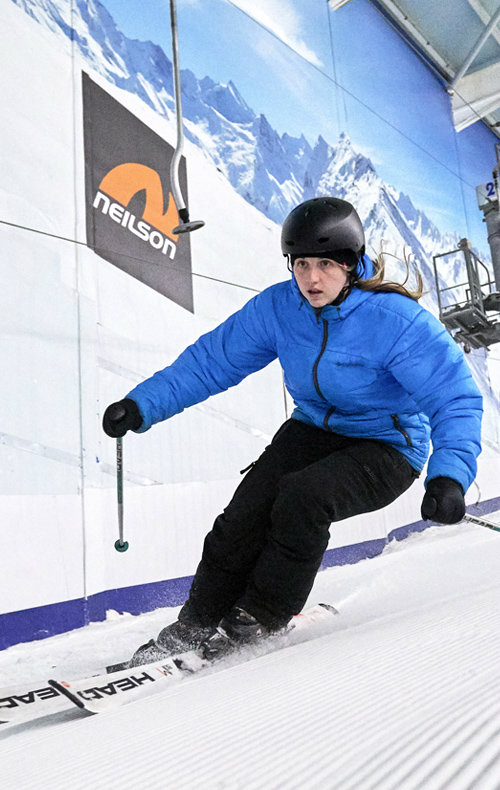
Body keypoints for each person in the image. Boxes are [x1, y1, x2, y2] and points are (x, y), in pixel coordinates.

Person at [103, 196, 483, 662]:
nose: (311, 278)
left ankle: (260, 615)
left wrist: (449, 477)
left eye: (325, 264)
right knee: (247, 508)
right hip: (313, 428)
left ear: (352, 263)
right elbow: (211, 362)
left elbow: (453, 397)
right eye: (301, 264)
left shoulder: (395, 323)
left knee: (304, 497)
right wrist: (142, 405)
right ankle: (197, 620)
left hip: (388, 445)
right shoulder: (281, 308)